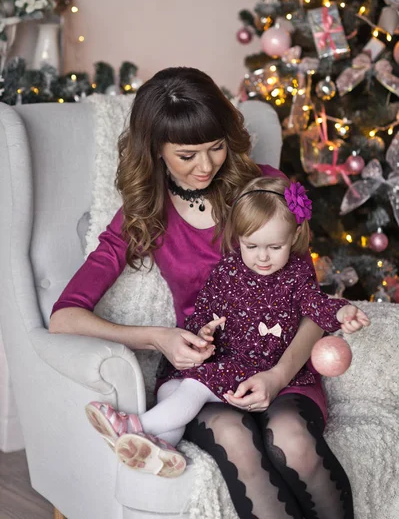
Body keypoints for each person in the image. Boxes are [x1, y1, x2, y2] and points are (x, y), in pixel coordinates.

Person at [50, 67, 357, 518]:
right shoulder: (144, 214)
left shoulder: (266, 190)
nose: (206, 166)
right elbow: (65, 318)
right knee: (238, 442)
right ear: (156, 149)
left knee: (293, 442)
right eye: (188, 154)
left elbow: (309, 304)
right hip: (205, 376)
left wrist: (276, 377)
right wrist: (157, 337)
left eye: (216, 147)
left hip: (284, 364)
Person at [86, 176, 369, 484]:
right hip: (221, 358)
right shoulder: (228, 270)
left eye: (275, 247)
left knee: (193, 388)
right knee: (173, 389)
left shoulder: (297, 273)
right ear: (238, 237)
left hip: (251, 368)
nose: (263, 257)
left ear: (295, 235)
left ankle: (135, 426)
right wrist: (205, 331)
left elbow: (316, 304)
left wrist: (342, 311)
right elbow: (205, 312)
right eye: (252, 245)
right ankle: (163, 449)